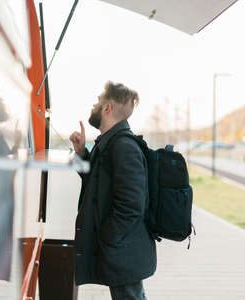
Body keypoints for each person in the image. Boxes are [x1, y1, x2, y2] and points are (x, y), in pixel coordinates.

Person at [69, 81, 156, 300]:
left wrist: (107, 237)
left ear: (107, 108)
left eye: (98, 101)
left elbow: (132, 205)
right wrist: (81, 154)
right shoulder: (108, 143)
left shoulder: (124, 147)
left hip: (123, 249)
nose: (94, 106)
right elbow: (95, 183)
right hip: (120, 247)